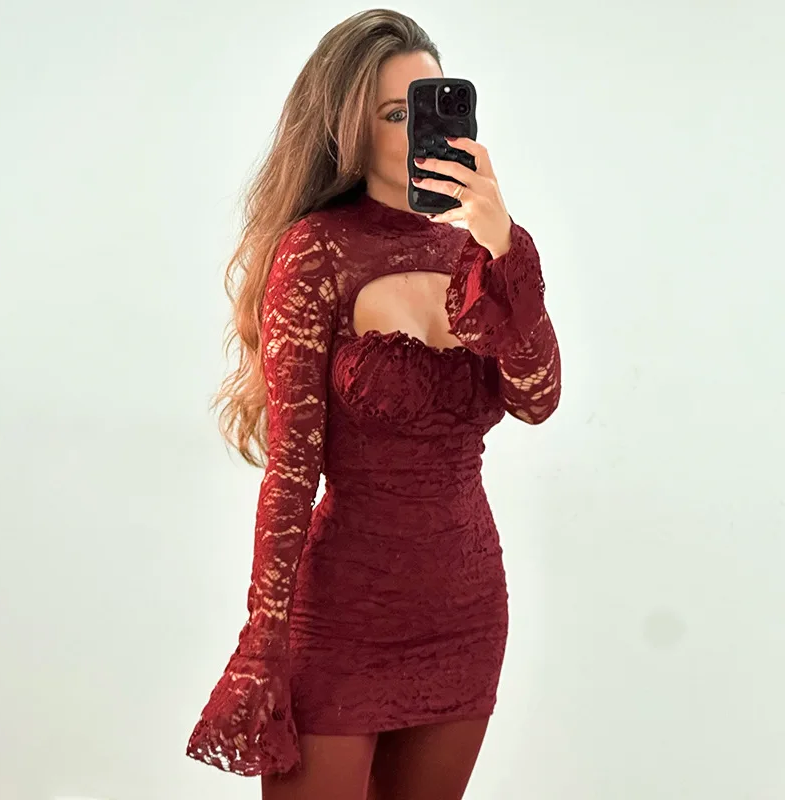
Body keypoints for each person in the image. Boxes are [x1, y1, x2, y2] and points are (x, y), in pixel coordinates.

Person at [185, 9, 561, 800]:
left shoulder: (476, 252)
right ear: (348, 128)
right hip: (341, 617)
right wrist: (263, 644)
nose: (421, 132)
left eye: (431, 105)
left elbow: (537, 398)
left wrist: (504, 247)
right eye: (396, 114)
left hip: (466, 609)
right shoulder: (317, 252)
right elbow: (292, 470)